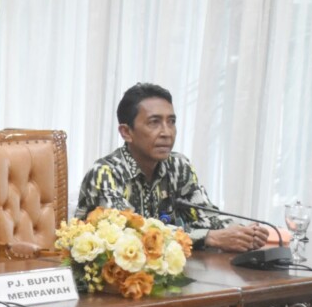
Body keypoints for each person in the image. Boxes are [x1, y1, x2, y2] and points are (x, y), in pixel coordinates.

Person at [75, 82, 268, 252]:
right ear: (126, 132)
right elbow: (130, 234)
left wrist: (242, 232)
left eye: (172, 122)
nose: (167, 132)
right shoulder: (105, 173)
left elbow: (205, 215)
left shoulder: (178, 166)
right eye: (154, 122)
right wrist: (209, 237)